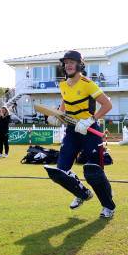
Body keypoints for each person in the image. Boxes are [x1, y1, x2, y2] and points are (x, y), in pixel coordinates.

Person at [43, 50, 116, 219]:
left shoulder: (87, 83)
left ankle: (108, 206)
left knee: (93, 171)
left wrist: (91, 119)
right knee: (61, 171)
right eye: (66, 62)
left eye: (72, 61)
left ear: (79, 65)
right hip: (72, 131)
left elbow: (107, 105)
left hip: (90, 131)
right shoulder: (63, 86)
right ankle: (82, 193)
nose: (68, 64)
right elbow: (64, 109)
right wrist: (57, 118)